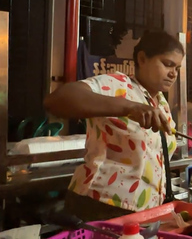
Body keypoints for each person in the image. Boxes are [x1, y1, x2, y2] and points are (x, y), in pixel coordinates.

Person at [44, 31, 184, 221]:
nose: (173, 73)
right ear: (142, 59)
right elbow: (58, 100)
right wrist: (130, 107)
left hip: (141, 212)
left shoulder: (160, 102)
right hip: (102, 205)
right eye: (167, 64)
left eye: (177, 67)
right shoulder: (117, 85)